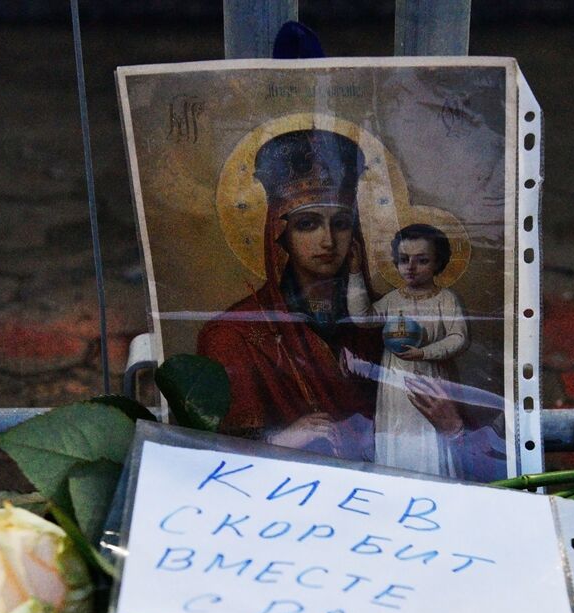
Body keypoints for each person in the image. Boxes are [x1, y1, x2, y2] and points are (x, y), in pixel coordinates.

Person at [196, 129, 382, 461]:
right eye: (308, 224)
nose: (328, 241)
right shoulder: (234, 335)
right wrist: (282, 438)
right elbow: (220, 455)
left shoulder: (381, 322)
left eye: (340, 223)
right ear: (279, 235)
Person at [353, 223, 470, 476]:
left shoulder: (445, 299)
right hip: (396, 386)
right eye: (404, 260)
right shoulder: (393, 299)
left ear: (438, 262)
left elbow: (459, 337)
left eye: (422, 260)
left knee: (432, 444)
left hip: (432, 383)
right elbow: (363, 318)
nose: (411, 267)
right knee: (398, 439)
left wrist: (423, 353)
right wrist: (354, 274)